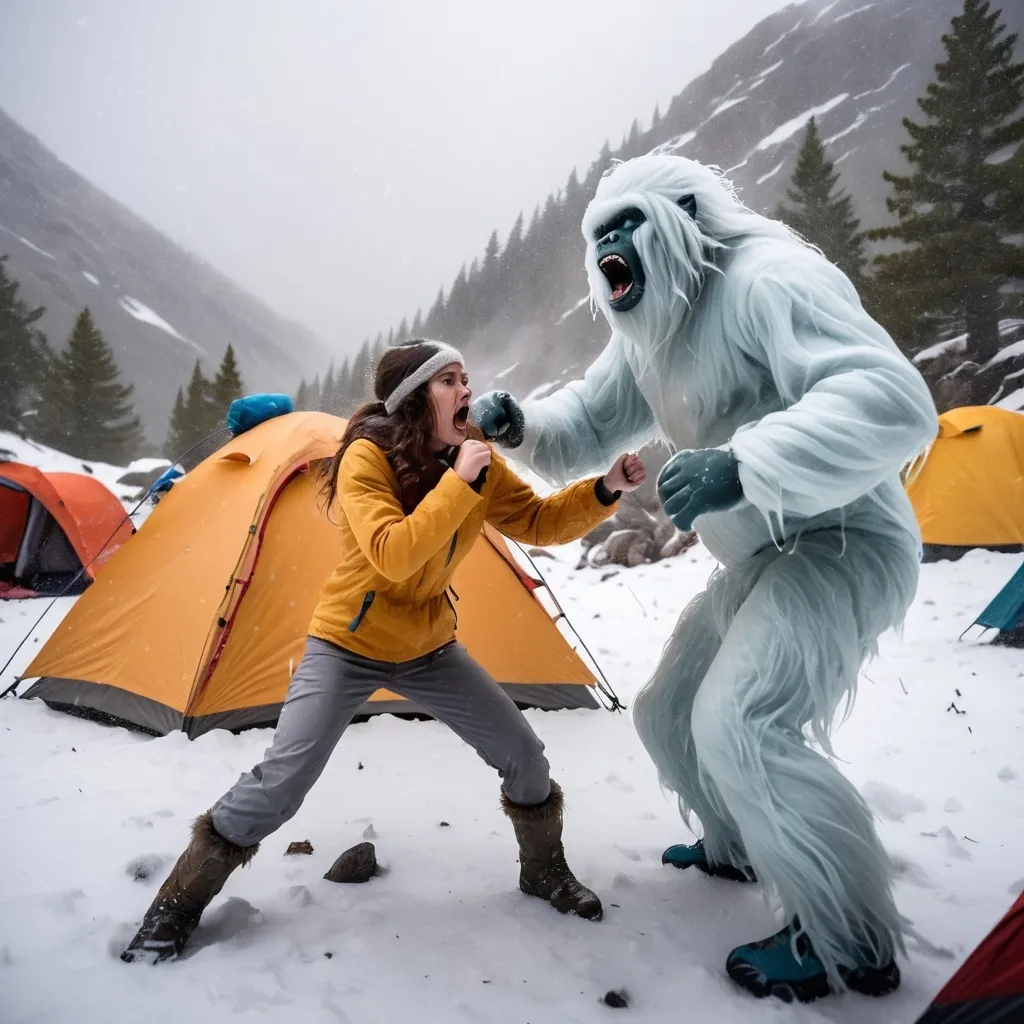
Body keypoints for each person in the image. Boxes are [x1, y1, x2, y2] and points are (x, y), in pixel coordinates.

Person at [472, 154, 938, 1003]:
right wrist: (521, 424)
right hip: (766, 557)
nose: (611, 244)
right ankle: (739, 844)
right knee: (670, 713)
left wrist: (744, 465)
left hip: (844, 542)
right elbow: (589, 421)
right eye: (599, 235)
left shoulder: (770, 279)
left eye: (628, 226)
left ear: (684, 218)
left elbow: (892, 399)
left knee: (741, 720)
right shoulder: (652, 330)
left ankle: (851, 938)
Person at [121, 339, 645, 964]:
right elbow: (394, 552)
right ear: (416, 396)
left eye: (465, 378)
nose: (466, 390)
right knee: (282, 783)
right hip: (346, 646)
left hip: (429, 648)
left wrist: (606, 488)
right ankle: (173, 909)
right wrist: (458, 482)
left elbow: (537, 522)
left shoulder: (467, 457)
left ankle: (544, 873)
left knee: (525, 757)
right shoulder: (366, 460)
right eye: (450, 380)